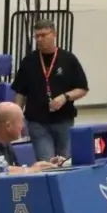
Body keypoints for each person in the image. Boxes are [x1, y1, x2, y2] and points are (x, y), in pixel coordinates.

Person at [11, 18, 89, 161]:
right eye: (37, 36)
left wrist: (65, 97)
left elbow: (82, 88)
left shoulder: (68, 59)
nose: (39, 39)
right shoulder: (29, 61)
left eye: (44, 35)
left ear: (54, 34)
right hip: (37, 121)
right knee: (46, 162)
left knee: (65, 161)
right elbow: (20, 92)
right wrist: (17, 117)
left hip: (63, 120)